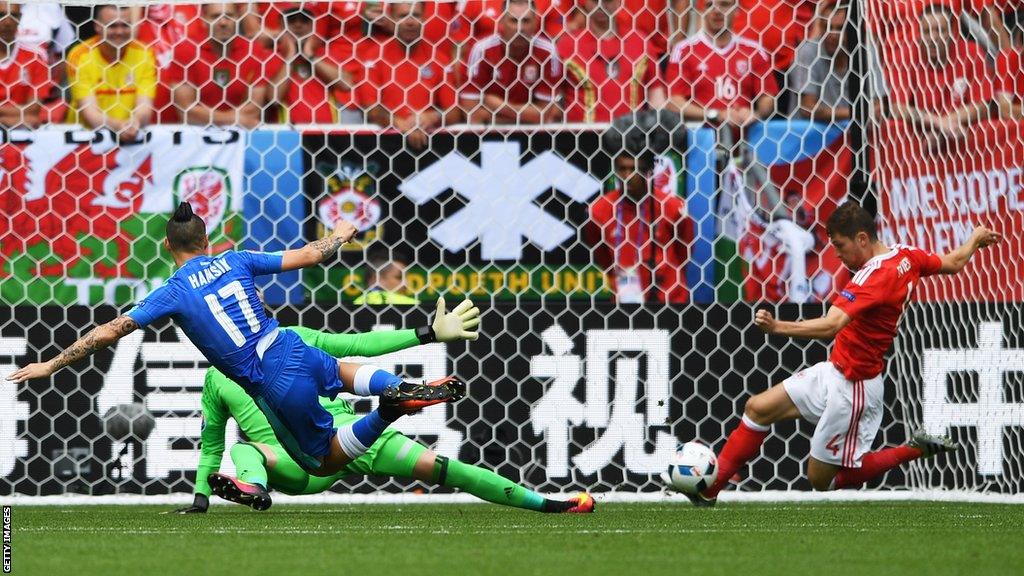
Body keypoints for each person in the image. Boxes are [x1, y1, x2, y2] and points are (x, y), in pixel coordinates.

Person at [7, 203, 466, 480]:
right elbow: (310, 254)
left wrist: (50, 365)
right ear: (207, 239)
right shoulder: (237, 258)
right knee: (346, 372)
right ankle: (391, 385)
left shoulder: (171, 292)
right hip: (288, 343)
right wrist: (342, 233)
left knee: (321, 462)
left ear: (170, 247)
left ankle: (388, 409)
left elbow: (110, 331)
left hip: (270, 377)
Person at [687, 202, 1002, 506]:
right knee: (758, 408)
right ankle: (710, 489)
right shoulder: (907, 255)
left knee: (820, 480)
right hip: (834, 371)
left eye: (840, 246)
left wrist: (777, 327)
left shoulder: (874, 277)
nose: (837, 255)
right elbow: (954, 263)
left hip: (855, 388)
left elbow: (831, 325)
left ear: (862, 238)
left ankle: (913, 449)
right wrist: (974, 239)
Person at [174, 302, 593, 514]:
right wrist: (426, 333)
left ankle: (256, 487)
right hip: (346, 441)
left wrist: (200, 499)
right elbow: (358, 347)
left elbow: (213, 447)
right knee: (446, 469)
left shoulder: (224, 371)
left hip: (307, 458)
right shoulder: (286, 342)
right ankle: (549, 504)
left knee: (244, 451)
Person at [585, 111, 691, 304]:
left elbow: (684, 252)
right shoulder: (599, 210)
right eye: (622, 169)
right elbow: (600, 255)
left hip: (670, 302)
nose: (626, 176)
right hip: (623, 305)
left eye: (633, 169)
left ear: (648, 171)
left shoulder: (673, 207)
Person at [885, 4, 996, 145]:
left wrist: (946, 125)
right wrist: (938, 123)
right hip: (922, 142)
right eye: (926, 31)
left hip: (964, 140)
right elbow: (897, 108)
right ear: (918, 34)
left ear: (952, 32)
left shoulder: (972, 53)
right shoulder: (904, 57)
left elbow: (983, 106)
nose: (933, 37)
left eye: (940, 30)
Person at [664, 0, 778, 132]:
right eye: (709, 5)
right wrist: (715, 115)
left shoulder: (753, 50)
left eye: (724, 4)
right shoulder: (684, 50)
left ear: (736, 9)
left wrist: (754, 114)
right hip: (701, 141)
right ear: (702, 11)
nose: (717, 10)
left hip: (745, 141)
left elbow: (768, 98)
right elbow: (673, 102)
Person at [359, 2, 458, 149]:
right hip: (385, 144)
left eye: (416, 15)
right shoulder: (374, 56)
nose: (410, 22)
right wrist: (400, 123)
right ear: (391, 19)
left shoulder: (439, 58)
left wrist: (432, 117)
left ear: (424, 18)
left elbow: (454, 113)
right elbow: (370, 109)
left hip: (428, 144)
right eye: (403, 16)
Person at [170, 2, 283, 128]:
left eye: (229, 16)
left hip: (240, 137)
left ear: (238, 18)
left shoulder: (253, 51)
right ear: (204, 19)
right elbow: (186, 111)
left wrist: (216, 118)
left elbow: (254, 109)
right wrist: (233, 118)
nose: (223, 22)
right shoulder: (185, 51)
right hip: (197, 138)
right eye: (215, 16)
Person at [557, 0, 666, 123]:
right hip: (582, 137)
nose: (600, 5)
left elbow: (656, 97)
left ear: (619, 2)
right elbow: (554, 99)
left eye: (607, 0)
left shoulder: (640, 42)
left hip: (631, 136)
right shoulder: (567, 45)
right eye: (594, 1)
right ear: (585, 2)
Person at [461, 0, 563, 124]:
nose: (520, 28)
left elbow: (543, 115)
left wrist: (500, 106)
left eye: (526, 21)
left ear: (535, 22)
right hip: (489, 135)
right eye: (513, 21)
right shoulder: (482, 50)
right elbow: (472, 114)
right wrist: (526, 114)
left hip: (533, 134)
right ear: (502, 21)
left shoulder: (548, 53)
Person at [67, 4, 157, 142]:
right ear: (97, 26)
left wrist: (134, 123)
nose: (119, 31)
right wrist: (118, 126)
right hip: (86, 140)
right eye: (112, 26)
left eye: (125, 25)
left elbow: (145, 106)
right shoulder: (80, 56)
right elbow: (89, 111)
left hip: (131, 138)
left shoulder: (145, 53)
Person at [790, 3, 852, 122]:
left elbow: (879, 103)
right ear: (821, 28)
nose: (833, 35)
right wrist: (856, 112)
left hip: (850, 135)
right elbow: (808, 108)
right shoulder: (807, 53)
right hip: (810, 137)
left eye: (840, 28)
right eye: (827, 27)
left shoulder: (864, 53)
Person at [0, 2, 49, 128]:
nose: (7, 22)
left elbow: (33, 111)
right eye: (1, 15)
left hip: (21, 135)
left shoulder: (36, 57)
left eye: (14, 16)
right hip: (20, 122)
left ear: (20, 18)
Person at [354, 249, 418, 305]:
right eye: (399, 277)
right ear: (377, 278)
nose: (406, 284)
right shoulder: (412, 306)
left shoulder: (355, 305)